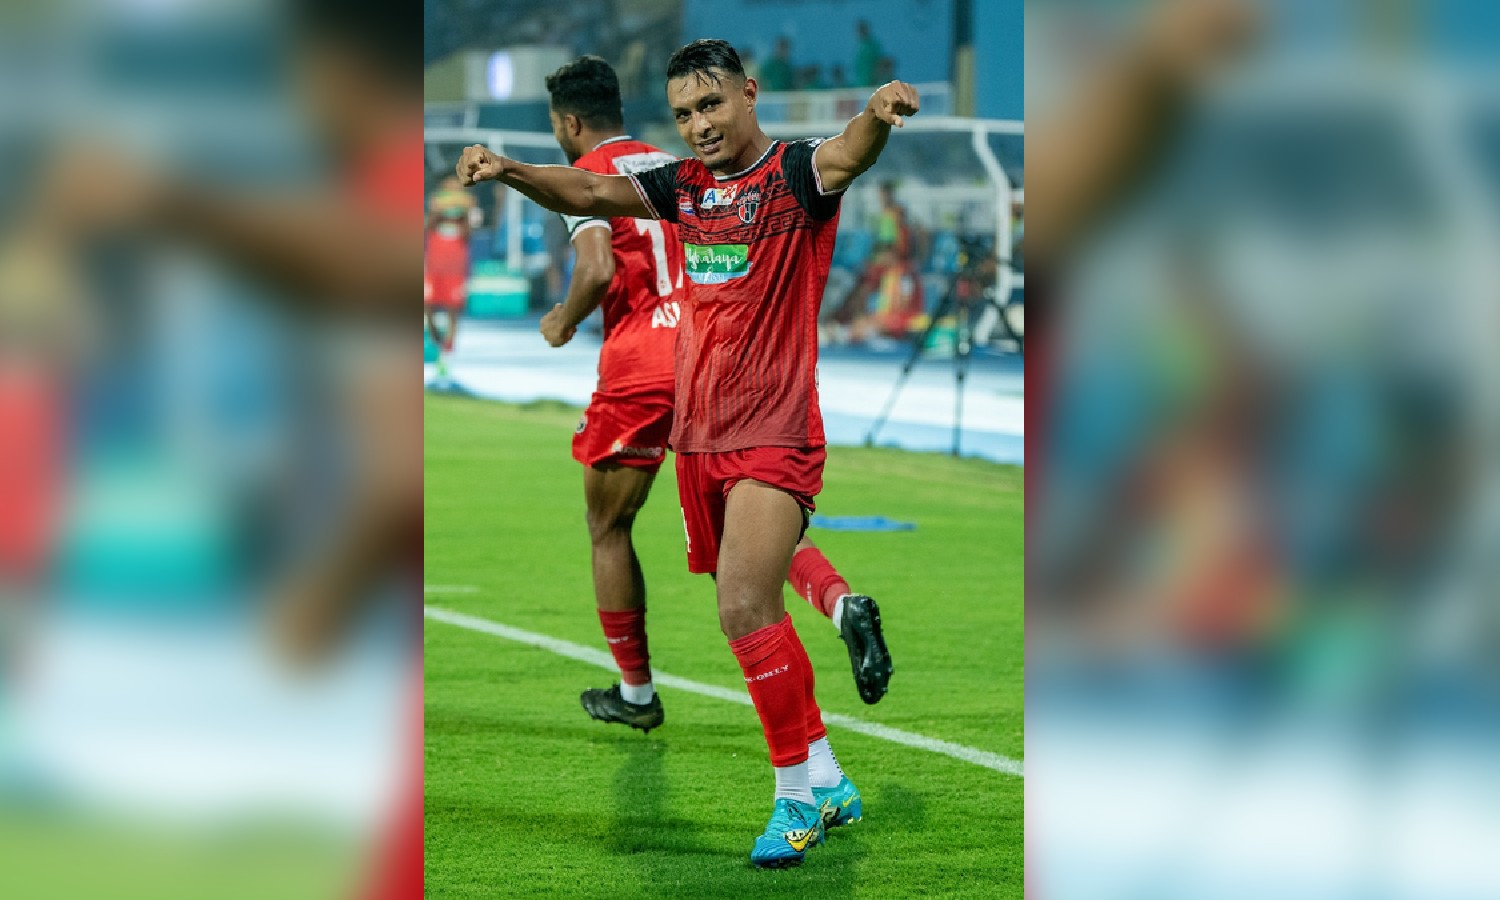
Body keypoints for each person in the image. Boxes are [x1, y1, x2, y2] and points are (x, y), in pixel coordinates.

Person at [458, 38, 919, 869]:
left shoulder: (795, 175)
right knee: (747, 594)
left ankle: (795, 800)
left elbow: (849, 152)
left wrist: (878, 114)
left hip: (774, 427)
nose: (699, 124)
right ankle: (826, 772)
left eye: (711, 105)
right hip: (698, 431)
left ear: (748, 94)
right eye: (683, 113)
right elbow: (591, 190)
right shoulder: (684, 187)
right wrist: (510, 170)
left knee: (743, 605)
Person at [534, 57, 892, 744]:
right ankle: (837, 603)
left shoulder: (607, 172)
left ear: (569, 123)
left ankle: (637, 691)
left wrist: (562, 319)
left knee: (610, 526)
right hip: (711, 359)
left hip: (643, 363)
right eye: (686, 113)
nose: (697, 122)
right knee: (750, 533)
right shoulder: (676, 162)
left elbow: (597, 262)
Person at [425, 175, 476, 383]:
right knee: (427, 307)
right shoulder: (436, 213)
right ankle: (436, 338)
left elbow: (469, 234)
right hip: (435, 263)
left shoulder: (466, 212)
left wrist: (466, 213)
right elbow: (428, 227)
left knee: (452, 312)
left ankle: (446, 357)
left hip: (455, 265)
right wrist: (436, 211)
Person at [853, 20, 884, 87]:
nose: (860, 33)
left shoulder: (872, 46)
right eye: (859, 30)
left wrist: (876, 79)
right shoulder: (859, 47)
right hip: (860, 83)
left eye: (862, 30)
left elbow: (879, 63)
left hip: (871, 82)